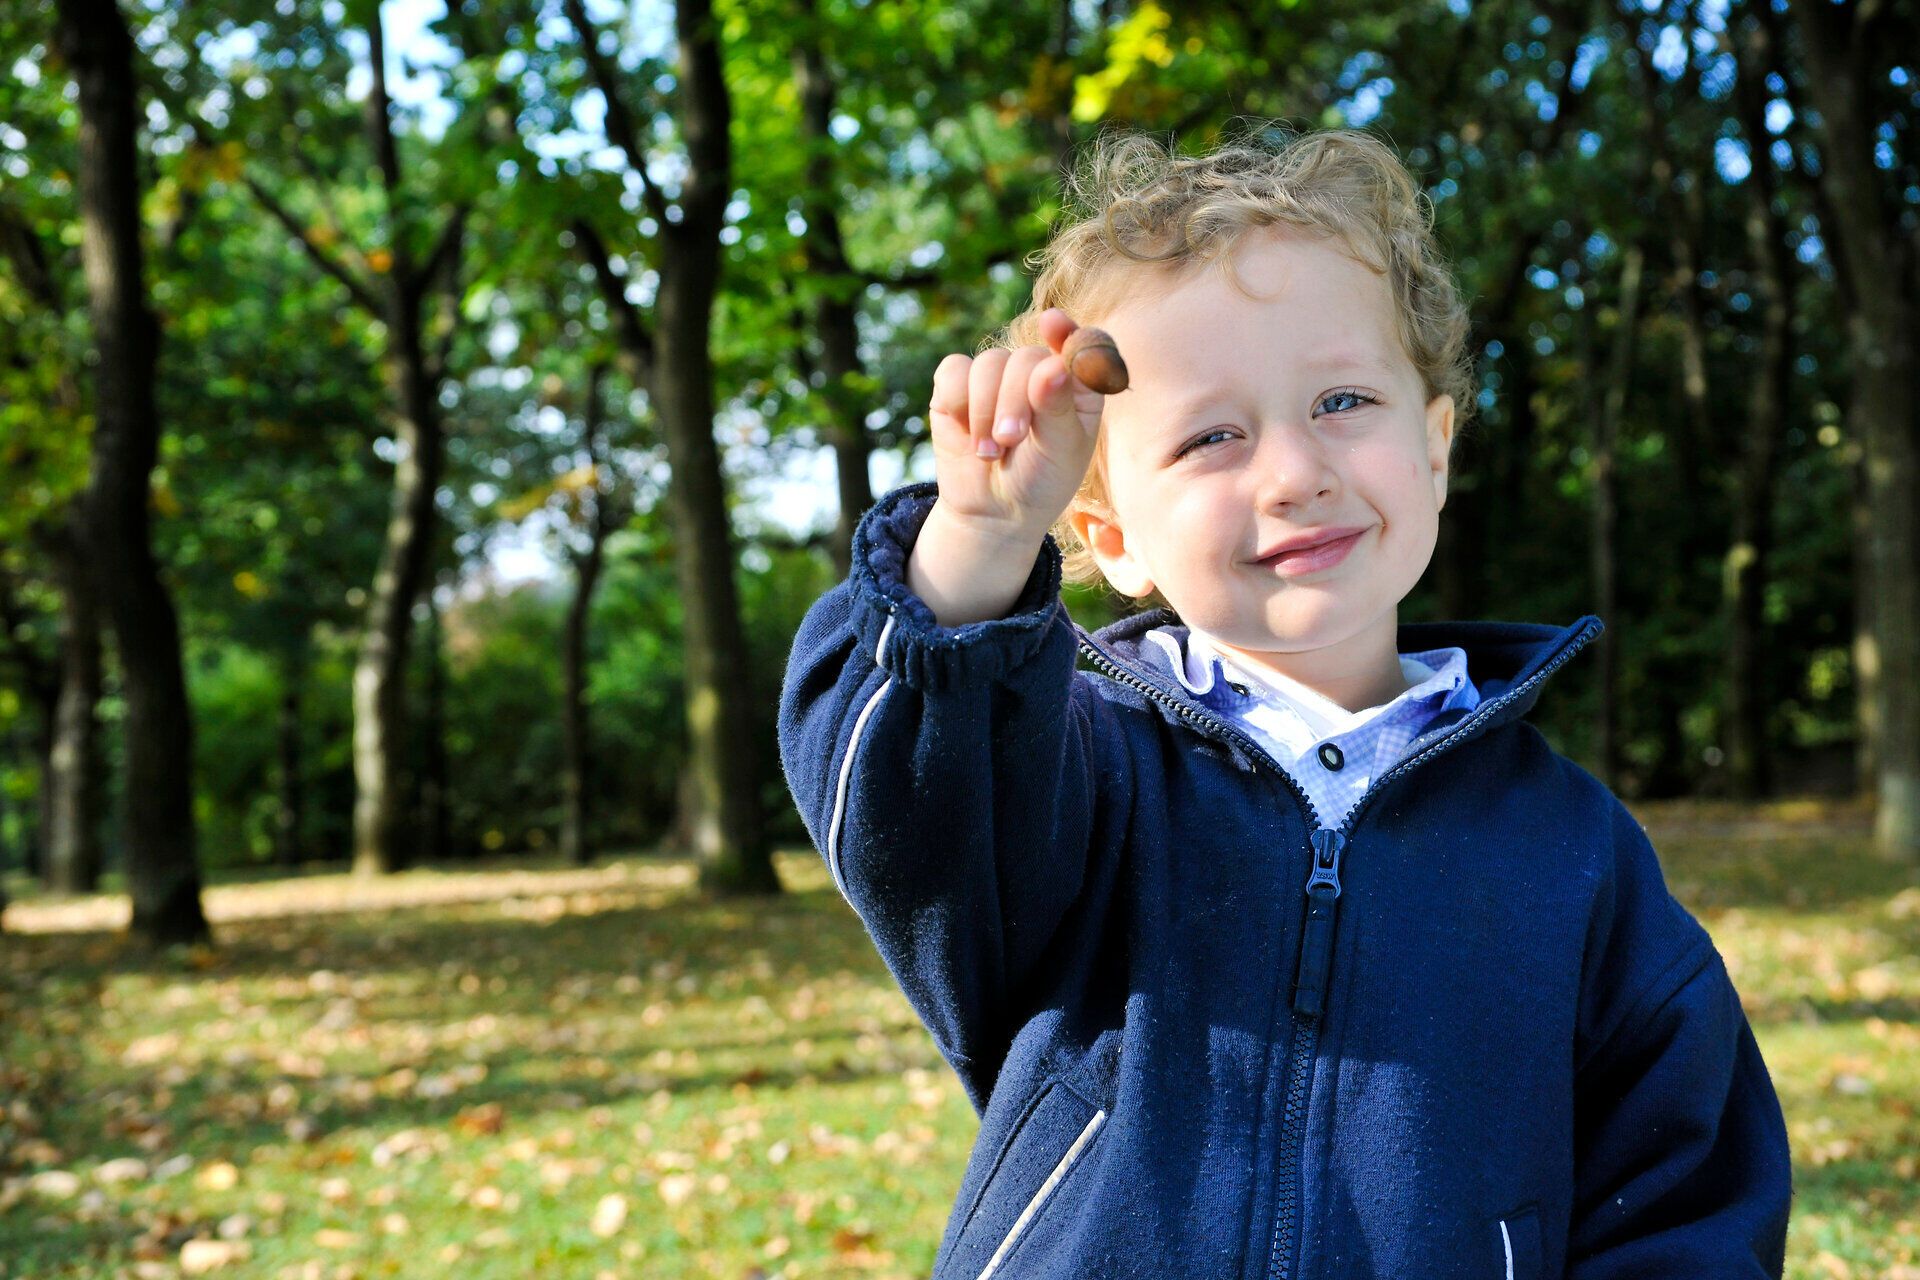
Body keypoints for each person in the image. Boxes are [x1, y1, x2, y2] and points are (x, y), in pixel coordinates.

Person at [775, 123, 1791, 1279]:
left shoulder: (1575, 851)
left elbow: (1685, 1193)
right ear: (1112, 538)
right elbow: (903, 827)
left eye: (1345, 400)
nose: (1294, 470)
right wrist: (975, 547)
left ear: (1437, 447)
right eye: (1212, 434)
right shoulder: (1072, 773)